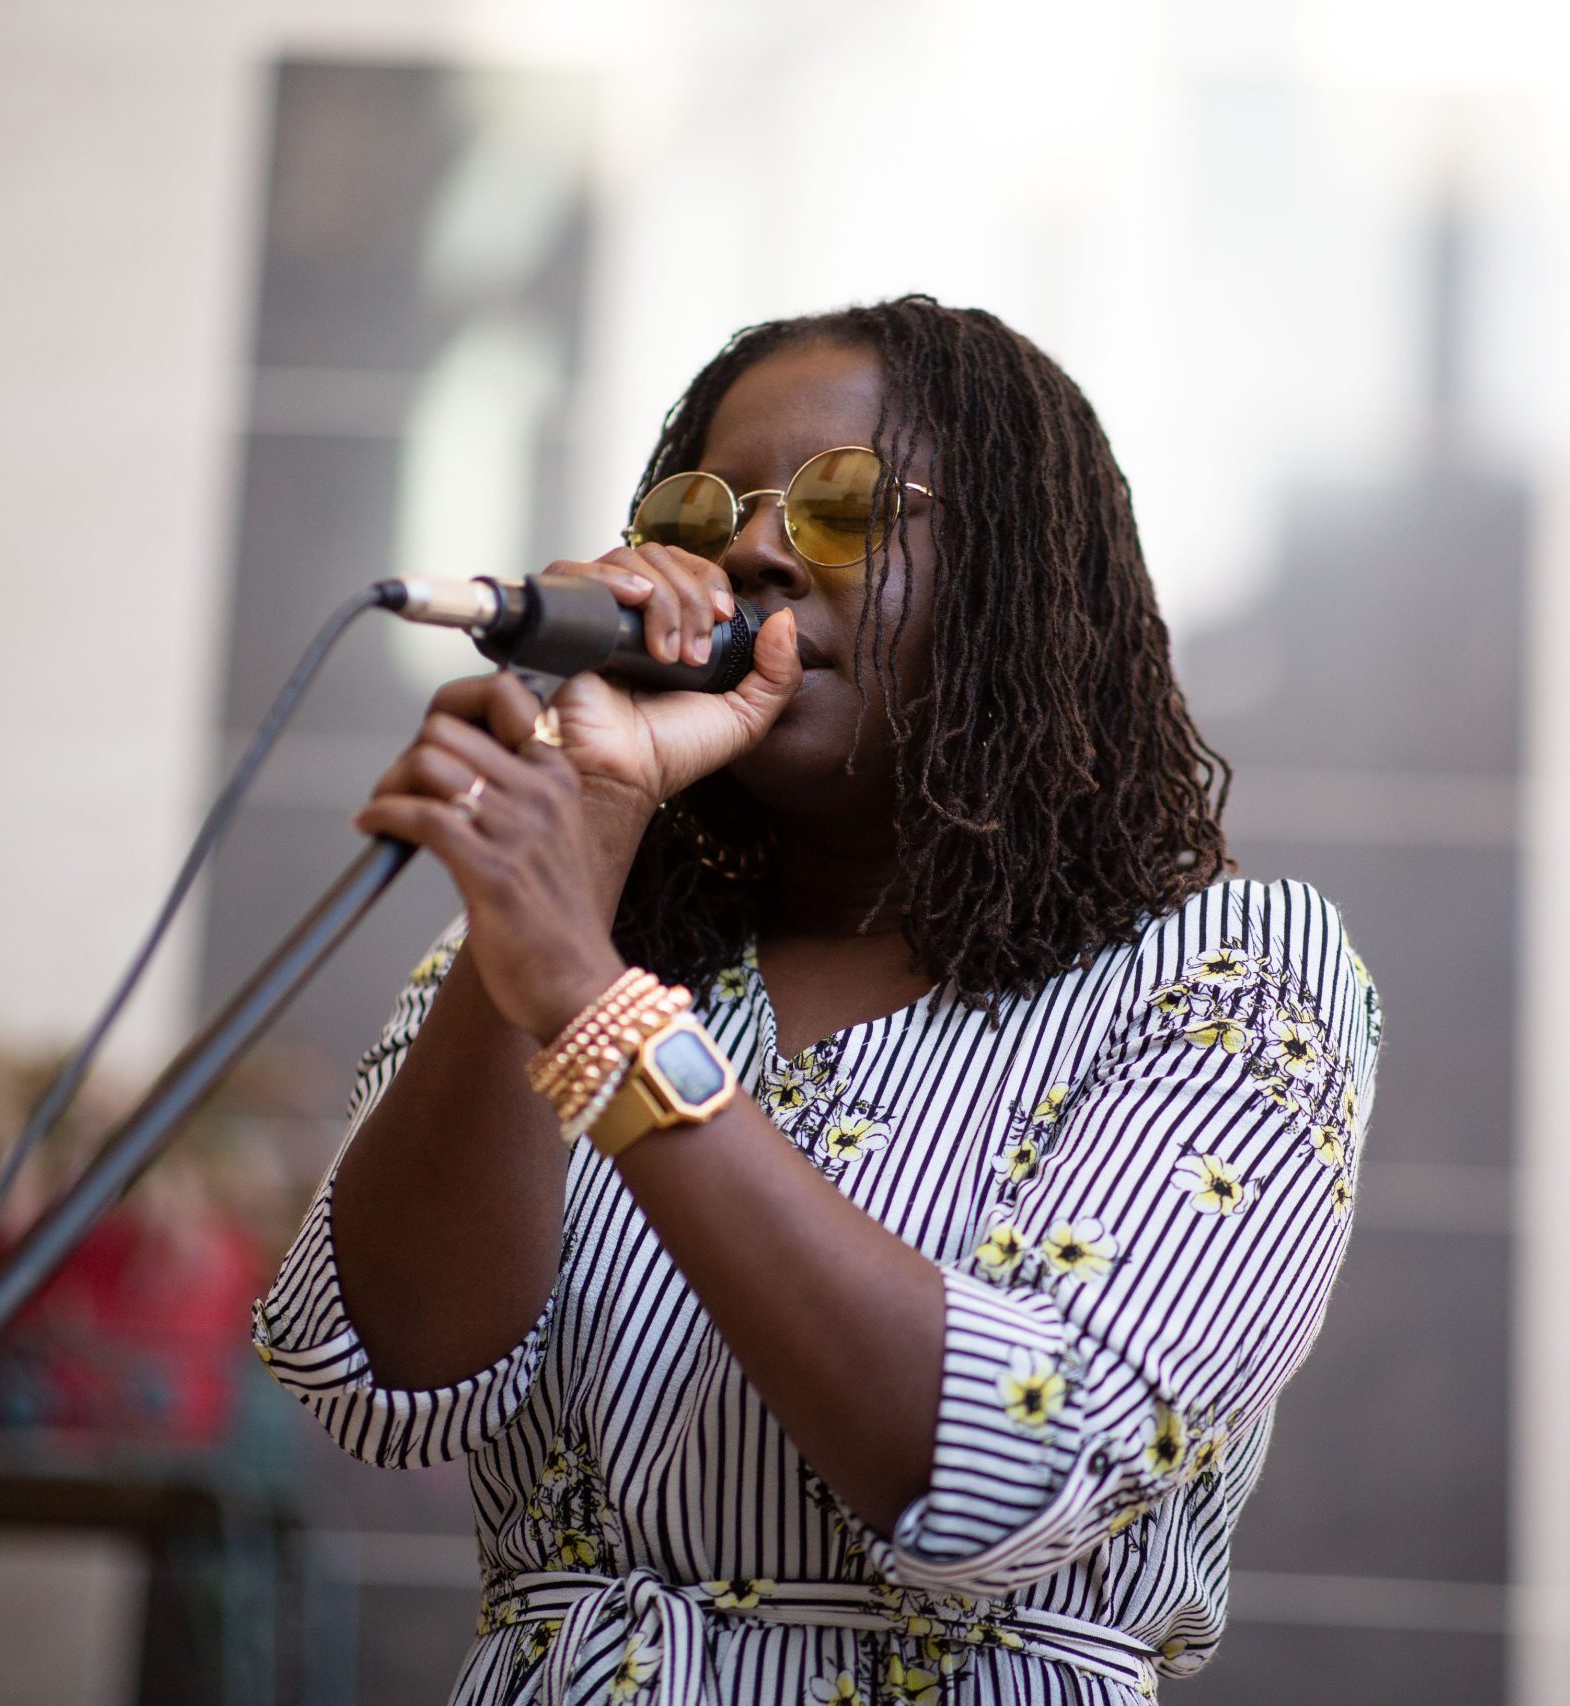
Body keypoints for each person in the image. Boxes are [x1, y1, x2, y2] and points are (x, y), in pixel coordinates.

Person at [253, 296, 1381, 1704]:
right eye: (703, 511)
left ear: (1015, 584)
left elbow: (1012, 1459)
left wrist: (597, 1019)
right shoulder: (568, 938)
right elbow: (386, 1370)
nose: (756, 551)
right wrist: (584, 843)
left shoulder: (1223, 971)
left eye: (846, 506)